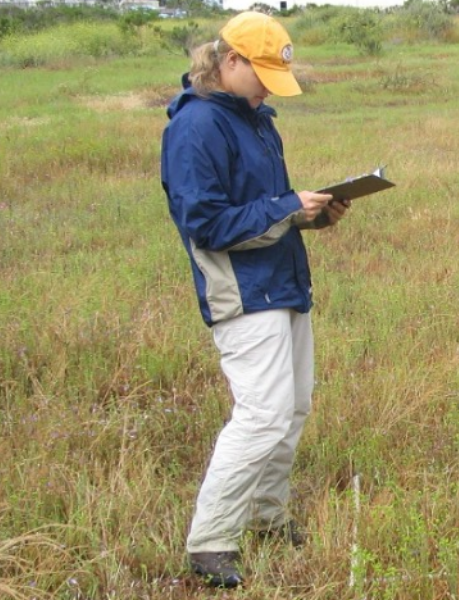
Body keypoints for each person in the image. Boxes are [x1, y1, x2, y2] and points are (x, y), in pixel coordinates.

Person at [160, 11, 350, 589]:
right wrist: (289, 206)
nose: (269, 88)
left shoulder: (257, 119)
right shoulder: (194, 129)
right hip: (243, 295)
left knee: (291, 410)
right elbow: (207, 224)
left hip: (284, 284)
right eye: (261, 73)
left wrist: (312, 216)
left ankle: (268, 518)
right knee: (261, 416)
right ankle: (211, 540)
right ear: (228, 60)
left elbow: (265, 210)